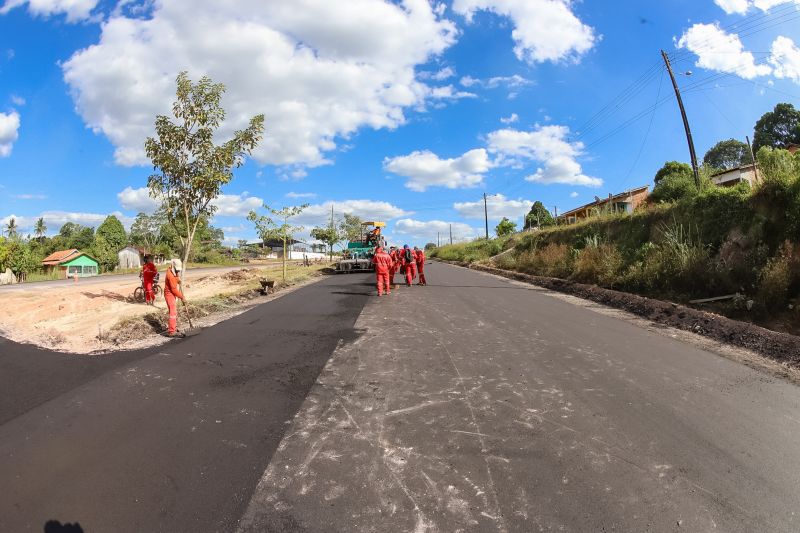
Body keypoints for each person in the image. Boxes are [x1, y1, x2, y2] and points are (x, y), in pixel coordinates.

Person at [164, 258, 186, 337]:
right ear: (174, 267)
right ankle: (172, 331)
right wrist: (182, 297)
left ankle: (173, 327)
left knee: (174, 312)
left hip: (171, 294)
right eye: (177, 270)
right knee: (173, 313)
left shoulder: (171, 270)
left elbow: (175, 276)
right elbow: (174, 290)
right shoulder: (170, 275)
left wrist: (178, 280)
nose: (178, 271)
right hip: (169, 294)